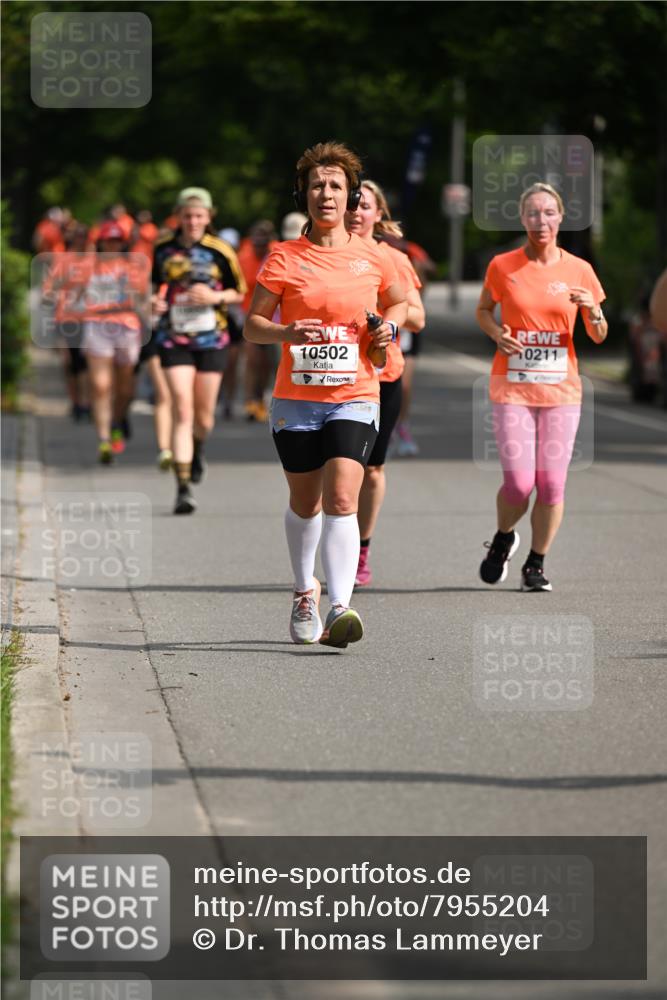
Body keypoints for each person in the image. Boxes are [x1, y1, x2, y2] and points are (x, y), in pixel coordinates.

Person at [244, 141, 406, 648]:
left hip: (356, 392)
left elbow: (399, 306)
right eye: (317, 185)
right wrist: (287, 334)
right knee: (305, 501)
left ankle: (340, 606)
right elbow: (252, 326)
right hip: (296, 398)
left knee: (342, 497)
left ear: (352, 196)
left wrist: (388, 332)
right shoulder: (285, 258)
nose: (327, 194)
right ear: (303, 195)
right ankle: (304, 590)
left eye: (336, 186)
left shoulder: (374, 257)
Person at [475, 182, 607, 592]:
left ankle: (536, 562)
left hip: (561, 393)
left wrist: (593, 310)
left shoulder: (579, 270)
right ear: (523, 218)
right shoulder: (503, 265)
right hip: (512, 388)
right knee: (519, 483)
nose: (541, 221)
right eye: (533, 213)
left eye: (548, 213)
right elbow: (483, 310)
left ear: (561, 217)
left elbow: (599, 334)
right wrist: (498, 333)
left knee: (551, 483)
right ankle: (502, 538)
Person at [345, 180, 425, 586]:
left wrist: (383, 314)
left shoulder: (391, 258)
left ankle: (361, 548)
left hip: (382, 372)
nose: (357, 212)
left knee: (372, 469)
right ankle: (333, 542)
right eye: (352, 204)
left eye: (366, 206)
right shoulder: (326, 255)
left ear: (378, 215)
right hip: (335, 373)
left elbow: (418, 318)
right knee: (336, 466)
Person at [151, 187, 246, 513]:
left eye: (199, 216)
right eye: (187, 216)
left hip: (212, 339)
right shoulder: (162, 248)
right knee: (183, 408)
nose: (192, 222)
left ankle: (198, 445)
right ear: (178, 217)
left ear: (209, 217)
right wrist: (153, 300)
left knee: (203, 418)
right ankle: (182, 488)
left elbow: (240, 291)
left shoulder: (220, 250)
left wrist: (215, 298)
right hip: (173, 338)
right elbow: (151, 288)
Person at [82, 221, 149, 463]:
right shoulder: (88, 266)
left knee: (125, 390)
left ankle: (117, 421)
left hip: (127, 327)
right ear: (100, 242)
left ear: (123, 243)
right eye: (108, 240)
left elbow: (142, 299)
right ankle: (104, 440)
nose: (112, 245)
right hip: (97, 325)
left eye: (117, 240)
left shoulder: (132, 267)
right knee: (101, 386)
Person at [237, 220, 280, 422]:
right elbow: (239, 290)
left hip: (275, 320)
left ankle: (262, 399)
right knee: (252, 361)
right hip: (250, 317)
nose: (259, 246)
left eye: (263, 242)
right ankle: (250, 402)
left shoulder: (278, 255)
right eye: (256, 242)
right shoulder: (243, 257)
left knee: (269, 365)